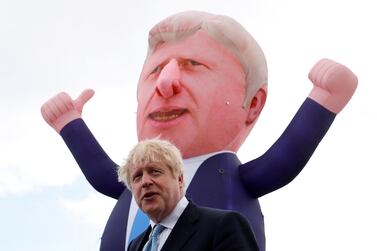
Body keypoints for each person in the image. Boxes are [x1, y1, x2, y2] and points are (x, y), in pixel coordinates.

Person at [41, 10, 358, 251]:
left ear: (253, 103)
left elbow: (284, 160)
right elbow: (102, 174)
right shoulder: (139, 233)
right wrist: (70, 124)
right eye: (155, 71)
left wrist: (324, 100)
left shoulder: (227, 217)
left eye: (193, 65)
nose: (166, 84)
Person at [118, 138, 259, 251]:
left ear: (179, 179)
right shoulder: (135, 246)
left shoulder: (223, 225)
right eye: (137, 177)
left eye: (155, 171)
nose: (145, 182)